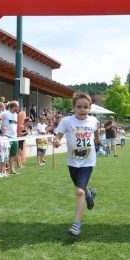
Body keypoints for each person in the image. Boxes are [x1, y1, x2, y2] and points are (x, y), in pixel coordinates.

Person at [53, 91, 100, 236]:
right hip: (72, 162)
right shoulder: (67, 121)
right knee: (81, 188)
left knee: (79, 191)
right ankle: (89, 194)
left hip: (88, 161)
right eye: (79, 107)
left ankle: (76, 224)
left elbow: (97, 134)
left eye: (86, 107)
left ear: (90, 108)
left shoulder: (93, 121)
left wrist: (98, 141)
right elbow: (58, 136)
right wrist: (56, 141)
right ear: (73, 107)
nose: (82, 110)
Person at [0, 101, 20, 174]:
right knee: (5, 154)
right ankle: (3, 170)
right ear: (13, 107)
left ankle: (12, 170)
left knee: (12, 154)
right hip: (7, 136)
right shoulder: (5, 113)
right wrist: (2, 128)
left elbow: (14, 125)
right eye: (18, 106)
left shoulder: (16, 115)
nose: (19, 108)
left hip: (14, 137)